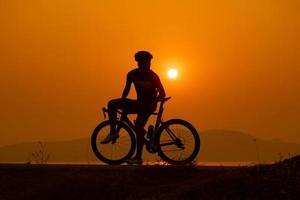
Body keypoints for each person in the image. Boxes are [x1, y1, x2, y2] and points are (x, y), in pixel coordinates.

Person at [101, 51, 166, 164]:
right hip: (138, 103)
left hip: (148, 106)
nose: (149, 65)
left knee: (138, 127)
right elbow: (127, 89)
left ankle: (138, 157)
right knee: (112, 104)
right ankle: (113, 132)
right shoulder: (132, 74)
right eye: (146, 62)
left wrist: (154, 102)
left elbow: (162, 93)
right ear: (139, 63)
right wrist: (122, 101)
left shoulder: (153, 76)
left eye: (149, 62)